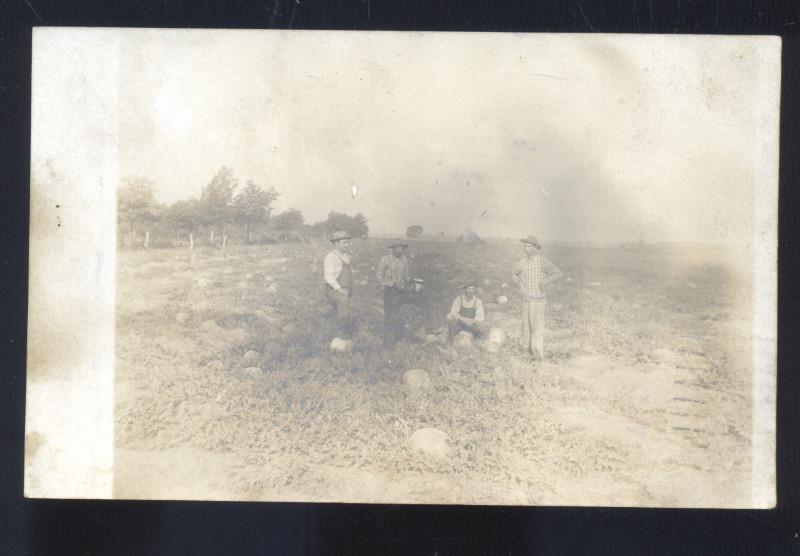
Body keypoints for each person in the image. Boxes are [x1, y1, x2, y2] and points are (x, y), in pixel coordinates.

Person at [512, 235, 562, 360]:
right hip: (526, 300)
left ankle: (537, 355)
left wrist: (544, 282)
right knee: (526, 326)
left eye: (529, 246)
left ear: (535, 248)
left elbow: (557, 273)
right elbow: (514, 273)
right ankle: (526, 351)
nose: (526, 248)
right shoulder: (522, 262)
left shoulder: (541, 261)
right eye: (524, 246)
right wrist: (520, 285)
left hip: (538, 300)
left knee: (537, 328)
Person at [376, 242, 432, 349]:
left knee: (423, 300)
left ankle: (430, 329)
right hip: (391, 292)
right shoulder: (385, 260)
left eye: (402, 248)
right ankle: (389, 344)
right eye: (398, 248)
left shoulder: (404, 260)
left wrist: (414, 281)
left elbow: (406, 275)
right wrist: (392, 283)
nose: (400, 250)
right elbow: (379, 276)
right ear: (392, 248)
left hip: (403, 290)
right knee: (391, 317)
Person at [323, 230, 355, 338]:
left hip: (345, 289)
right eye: (344, 242)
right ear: (336, 243)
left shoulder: (346, 256)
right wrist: (339, 289)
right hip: (334, 289)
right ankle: (342, 337)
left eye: (348, 242)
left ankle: (333, 334)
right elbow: (328, 276)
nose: (347, 245)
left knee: (337, 312)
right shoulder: (331, 256)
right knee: (343, 313)